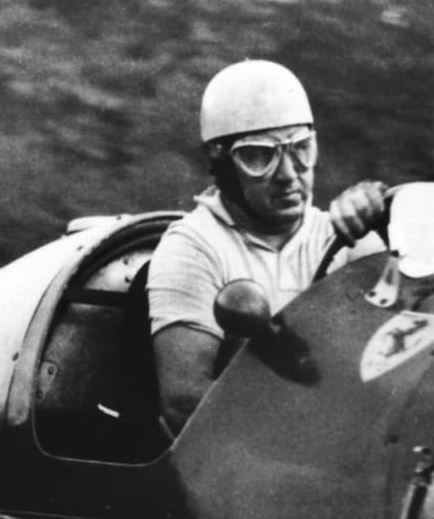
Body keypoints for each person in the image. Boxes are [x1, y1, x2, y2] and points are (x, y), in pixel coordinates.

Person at [148, 59, 389, 434]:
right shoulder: (193, 246)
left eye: (300, 149)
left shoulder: (344, 238)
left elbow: (408, 343)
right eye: (259, 156)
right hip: (245, 468)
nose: (288, 174)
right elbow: (184, 401)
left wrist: (384, 214)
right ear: (223, 163)